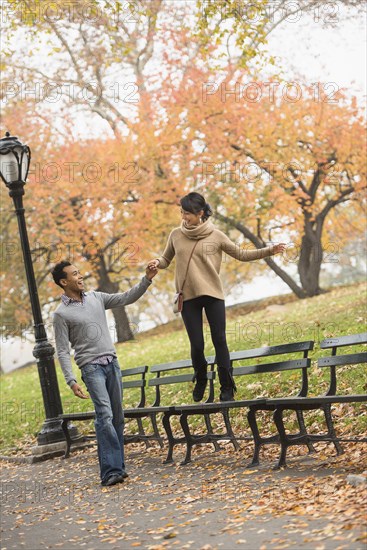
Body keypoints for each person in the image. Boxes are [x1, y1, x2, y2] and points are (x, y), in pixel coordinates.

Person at [148, 192, 286, 402]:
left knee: (220, 340)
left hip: (213, 293)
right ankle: (201, 377)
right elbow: (166, 259)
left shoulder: (216, 235)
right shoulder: (176, 235)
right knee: (197, 344)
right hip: (188, 297)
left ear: (200, 213)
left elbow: (241, 254)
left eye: (188, 213)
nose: (184, 217)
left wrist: (269, 250)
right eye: (182, 213)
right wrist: (157, 263)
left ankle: (227, 386)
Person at [52, 260, 158, 487]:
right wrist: (71, 380)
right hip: (91, 369)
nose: (80, 277)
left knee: (117, 418)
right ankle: (111, 471)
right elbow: (62, 351)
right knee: (105, 416)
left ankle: (117, 468)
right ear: (63, 282)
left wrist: (147, 279)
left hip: (112, 364)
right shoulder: (61, 314)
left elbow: (126, 297)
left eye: (79, 273)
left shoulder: (96, 298)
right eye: (74, 274)